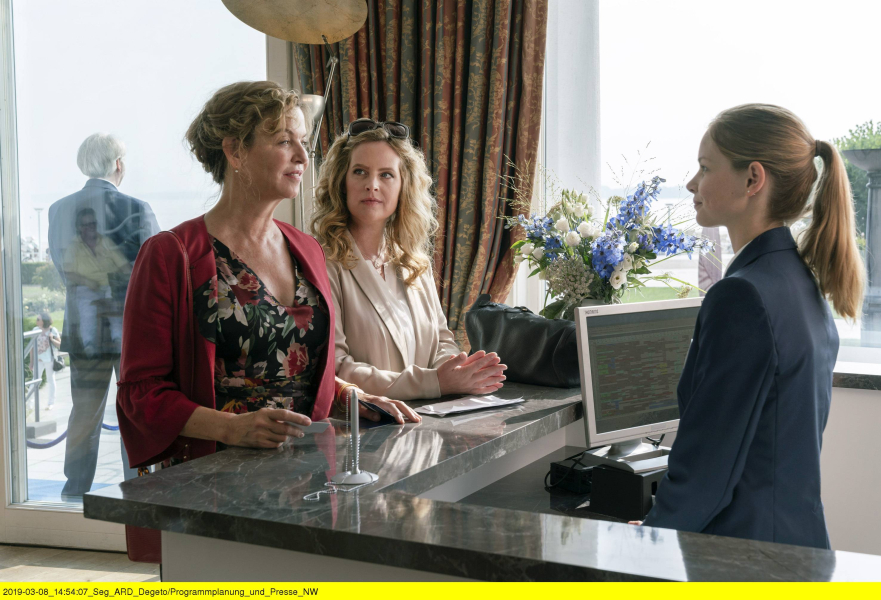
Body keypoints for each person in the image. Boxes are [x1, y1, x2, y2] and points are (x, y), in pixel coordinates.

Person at [117, 82, 418, 485]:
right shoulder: (171, 253)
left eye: (303, 143)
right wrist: (231, 428)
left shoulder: (307, 249)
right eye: (284, 141)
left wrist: (346, 395)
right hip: (213, 481)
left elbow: (296, 363)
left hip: (311, 477)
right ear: (235, 151)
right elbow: (140, 392)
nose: (302, 157)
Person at [637, 104, 864, 549]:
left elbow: (707, 468)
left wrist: (648, 541)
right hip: (795, 548)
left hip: (744, 557)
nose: (692, 183)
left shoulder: (742, 296)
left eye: (705, 168)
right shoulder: (800, 282)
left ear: (752, 179)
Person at [311, 120, 507, 400]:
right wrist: (434, 382)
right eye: (360, 172)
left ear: (404, 186)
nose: (372, 185)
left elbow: (442, 342)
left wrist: (458, 371)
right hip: (365, 422)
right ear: (342, 182)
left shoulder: (415, 263)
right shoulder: (323, 263)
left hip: (430, 418)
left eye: (386, 175)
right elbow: (337, 370)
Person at [47, 132, 160, 498]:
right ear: (118, 165)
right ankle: (140, 484)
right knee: (136, 409)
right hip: (131, 330)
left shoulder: (58, 210)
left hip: (83, 329)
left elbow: (66, 271)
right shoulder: (138, 209)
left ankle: (75, 488)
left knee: (84, 411)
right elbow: (153, 276)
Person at [31, 312, 61, 411]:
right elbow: (32, 347)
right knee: (34, 380)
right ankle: (30, 403)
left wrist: (51, 339)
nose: (36, 321)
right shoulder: (35, 330)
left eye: (38, 319)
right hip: (38, 360)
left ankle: (51, 403)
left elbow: (60, 344)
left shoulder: (53, 330)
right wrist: (31, 362)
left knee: (51, 380)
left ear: (44, 321)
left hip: (49, 360)